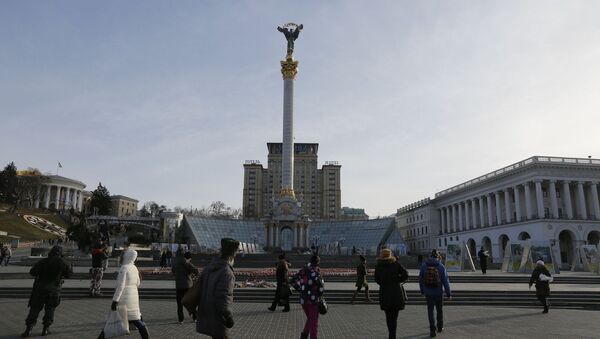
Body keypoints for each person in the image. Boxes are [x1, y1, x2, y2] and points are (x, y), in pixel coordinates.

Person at [21, 245, 73, 337]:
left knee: (35, 308)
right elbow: (69, 275)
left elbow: (32, 272)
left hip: (39, 288)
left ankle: (28, 329)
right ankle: (45, 329)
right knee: (50, 309)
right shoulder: (65, 263)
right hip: (54, 289)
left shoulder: (43, 261)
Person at [98, 248, 149, 339]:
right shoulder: (134, 268)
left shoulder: (124, 268)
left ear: (126, 257)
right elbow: (138, 283)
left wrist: (115, 301)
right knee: (137, 320)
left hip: (124, 300)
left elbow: (120, 287)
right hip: (133, 299)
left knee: (110, 322)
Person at [196, 238, 240, 339]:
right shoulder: (227, 272)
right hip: (218, 316)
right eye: (236, 253)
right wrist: (228, 317)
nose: (236, 255)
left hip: (207, 312)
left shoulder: (210, 267)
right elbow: (223, 297)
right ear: (232, 255)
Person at [374, 249, 409, 339]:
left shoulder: (378, 266)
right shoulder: (395, 264)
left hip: (385, 294)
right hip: (396, 294)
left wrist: (383, 283)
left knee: (388, 317)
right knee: (394, 317)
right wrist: (398, 280)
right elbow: (405, 274)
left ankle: (391, 335)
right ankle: (393, 335)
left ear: (382, 255)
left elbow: (377, 279)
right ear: (390, 255)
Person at [419, 249, 451, 338]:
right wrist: (448, 294)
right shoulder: (441, 266)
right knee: (439, 310)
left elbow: (420, 280)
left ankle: (432, 331)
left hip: (428, 293)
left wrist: (422, 291)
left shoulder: (424, 266)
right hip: (438, 292)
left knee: (430, 311)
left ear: (430, 256)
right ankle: (440, 327)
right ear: (438, 257)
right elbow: (445, 281)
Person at [291, 255, 324, 339]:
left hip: (304, 300)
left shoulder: (303, 270)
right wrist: (319, 295)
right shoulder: (316, 272)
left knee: (310, 318)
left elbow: (293, 280)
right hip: (313, 301)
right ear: (318, 263)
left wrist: (301, 289)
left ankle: (304, 335)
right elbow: (321, 288)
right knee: (314, 322)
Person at [172, 250, 199, 323]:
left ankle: (181, 319)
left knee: (179, 303)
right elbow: (196, 270)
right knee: (190, 302)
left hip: (178, 286)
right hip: (187, 285)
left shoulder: (176, 263)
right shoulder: (186, 262)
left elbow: (173, 271)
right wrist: (191, 275)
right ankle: (195, 317)